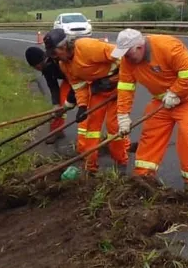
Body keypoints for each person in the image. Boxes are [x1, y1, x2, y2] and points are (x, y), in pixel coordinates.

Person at [110, 29, 188, 192]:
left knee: (187, 133)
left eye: (128, 53)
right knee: (151, 133)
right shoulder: (128, 61)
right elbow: (125, 87)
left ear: (139, 47)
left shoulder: (167, 46)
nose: (126, 58)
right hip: (162, 100)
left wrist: (175, 92)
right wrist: (123, 116)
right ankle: (142, 178)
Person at [43, 29, 129, 175]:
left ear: (63, 46)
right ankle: (91, 167)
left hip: (119, 87)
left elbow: (123, 56)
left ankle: (121, 162)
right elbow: (78, 86)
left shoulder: (86, 47)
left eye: (54, 53)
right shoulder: (64, 64)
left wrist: (114, 79)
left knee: (113, 126)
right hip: (98, 90)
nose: (54, 58)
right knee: (91, 130)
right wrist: (82, 106)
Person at [25, 46, 76, 144]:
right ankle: (56, 131)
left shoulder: (57, 58)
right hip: (69, 79)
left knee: (85, 107)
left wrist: (72, 99)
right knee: (60, 106)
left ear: (39, 63)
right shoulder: (45, 69)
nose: (36, 69)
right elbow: (53, 86)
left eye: (35, 67)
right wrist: (56, 104)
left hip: (80, 77)